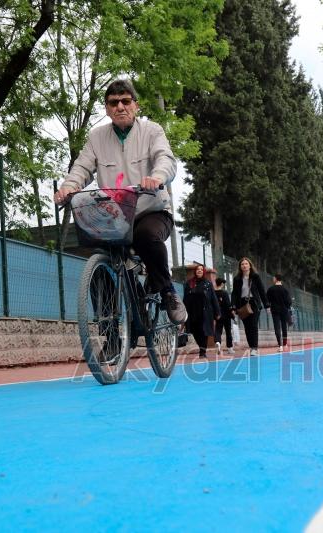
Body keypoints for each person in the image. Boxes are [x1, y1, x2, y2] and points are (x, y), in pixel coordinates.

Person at [53, 79, 187, 325]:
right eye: (113, 103)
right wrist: (68, 187)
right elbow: (82, 167)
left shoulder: (152, 131)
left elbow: (165, 159)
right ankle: (110, 330)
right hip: (117, 217)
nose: (120, 107)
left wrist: (157, 177)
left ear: (136, 105)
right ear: (107, 109)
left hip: (152, 210)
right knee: (100, 261)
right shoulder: (97, 137)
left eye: (126, 101)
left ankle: (168, 292)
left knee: (147, 236)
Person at [230, 257, 269, 357]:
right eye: (242, 264)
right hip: (242, 305)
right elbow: (234, 293)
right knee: (247, 327)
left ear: (250, 266)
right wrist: (233, 307)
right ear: (240, 267)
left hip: (254, 303)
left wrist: (267, 305)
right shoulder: (237, 279)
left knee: (253, 325)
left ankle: (254, 348)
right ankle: (251, 346)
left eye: (246, 264)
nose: (244, 265)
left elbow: (261, 291)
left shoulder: (255, 277)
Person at [183, 264, 220, 358]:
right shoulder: (189, 283)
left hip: (205, 311)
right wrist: (183, 311)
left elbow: (213, 298)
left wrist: (217, 312)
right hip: (192, 311)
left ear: (203, 272)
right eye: (197, 269)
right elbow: (185, 298)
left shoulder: (208, 283)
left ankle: (202, 351)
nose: (199, 271)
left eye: (201, 269)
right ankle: (201, 347)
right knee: (194, 331)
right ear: (195, 271)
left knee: (204, 331)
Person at [266, 274, 292, 352]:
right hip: (284, 310)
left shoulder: (271, 289)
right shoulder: (285, 290)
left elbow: (267, 300)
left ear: (276, 279)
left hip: (275, 310)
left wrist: (268, 307)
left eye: (273, 278)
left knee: (277, 327)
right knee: (284, 327)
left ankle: (280, 346)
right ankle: (285, 344)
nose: (273, 279)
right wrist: (286, 306)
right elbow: (289, 302)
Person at [214, 278, 235, 355]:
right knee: (228, 331)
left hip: (218, 315)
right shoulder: (224, 293)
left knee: (218, 330)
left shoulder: (213, 293)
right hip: (226, 315)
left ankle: (218, 342)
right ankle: (230, 348)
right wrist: (232, 313)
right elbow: (228, 305)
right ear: (222, 284)